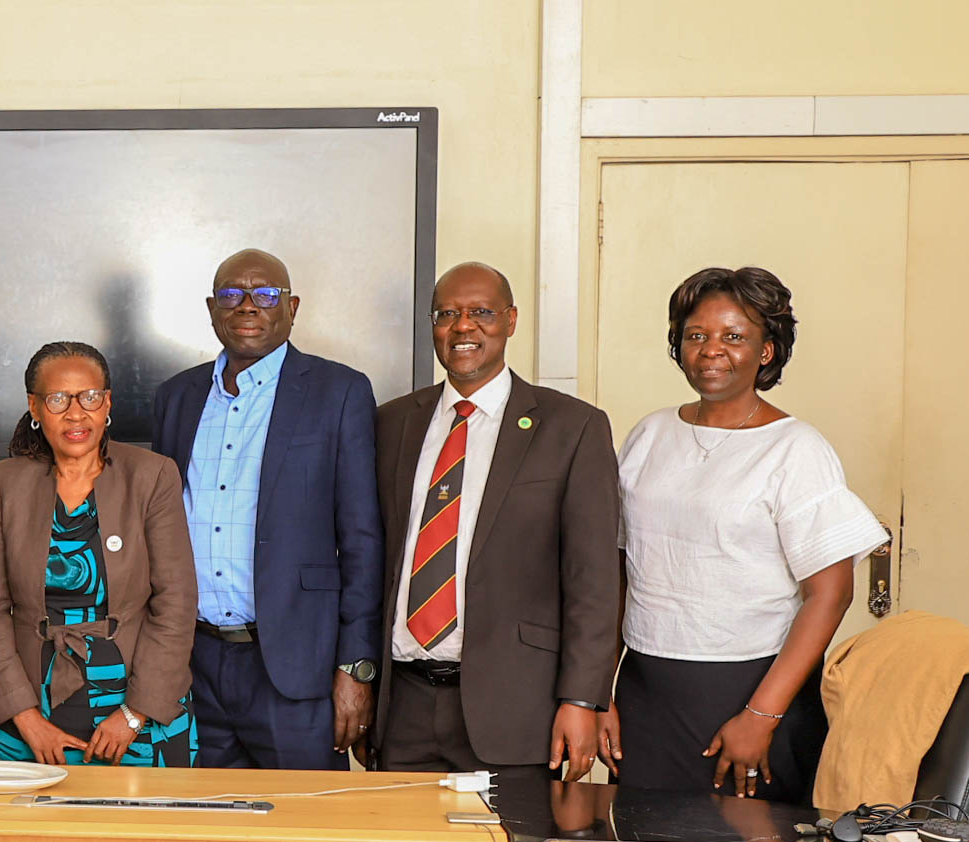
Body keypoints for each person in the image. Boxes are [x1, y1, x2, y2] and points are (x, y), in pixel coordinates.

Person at [601, 267, 885, 803]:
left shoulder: (796, 448)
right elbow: (622, 566)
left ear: (767, 352)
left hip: (753, 687)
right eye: (696, 335)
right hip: (645, 686)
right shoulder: (650, 433)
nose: (712, 350)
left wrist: (761, 715)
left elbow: (831, 593)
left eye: (734, 336)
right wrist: (599, 691)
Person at [364, 262, 619, 781]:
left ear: (511, 320)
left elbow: (594, 579)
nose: (464, 327)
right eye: (447, 314)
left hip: (518, 710)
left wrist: (583, 698)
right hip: (403, 708)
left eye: (481, 312)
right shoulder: (392, 423)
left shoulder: (572, 427)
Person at [148, 248, 382, 770]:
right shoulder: (177, 397)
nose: (248, 305)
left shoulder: (338, 393)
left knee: (308, 840)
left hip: (298, 669)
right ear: (212, 308)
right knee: (198, 840)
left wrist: (356, 667)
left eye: (266, 294)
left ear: (292, 307)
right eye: (232, 294)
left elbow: (362, 541)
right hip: (192, 665)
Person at [0, 341, 198, 766]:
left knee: (145, 830)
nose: (76, 413)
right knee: (28, 832)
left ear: (107, 402)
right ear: (35, 407)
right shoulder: (3, 483)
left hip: (140, 710)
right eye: (58, 399)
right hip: (31, 711)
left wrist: (134, 714)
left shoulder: (152, 476)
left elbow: (176, 602)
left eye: (89, 397)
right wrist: (22, 716)